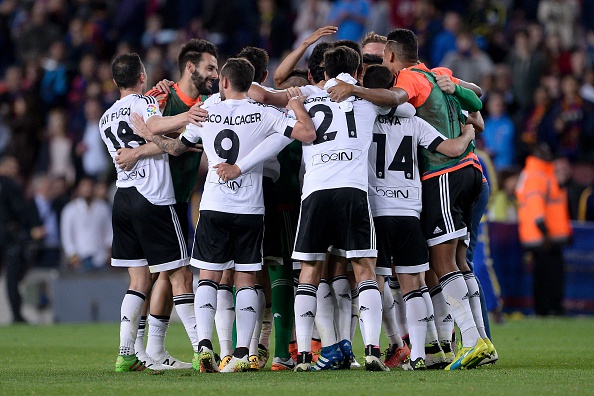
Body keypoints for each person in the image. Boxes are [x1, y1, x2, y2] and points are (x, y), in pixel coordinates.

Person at [132, 57, 316, 373]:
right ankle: (244, 352)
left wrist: (151, 137)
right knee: (247, 279)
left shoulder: (206, 111)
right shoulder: (265, 112)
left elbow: (177, 148)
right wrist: (298, 105)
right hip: (250, 208)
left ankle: (205, 346)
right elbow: (304, 133)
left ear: (224, 82)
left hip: (214, 205)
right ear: (252, 84)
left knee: (209, 277)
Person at [326, 28, 493, 370]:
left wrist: (353, 91)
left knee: (385, 277)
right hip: (420, 201)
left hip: (399, 198)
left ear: (390, 57)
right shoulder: (431, 86)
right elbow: (473, 103)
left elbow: (392, 101)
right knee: (431, 274)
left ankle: (400, 346)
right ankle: (435, 349)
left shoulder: (371, 112)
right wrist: (468, 128)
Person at [114, 38, 218, 370]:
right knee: (168, 274)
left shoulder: (209, 103)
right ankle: (157, 350)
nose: (214, 75)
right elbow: (141, 135)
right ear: (191, 67)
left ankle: (147, 353)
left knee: (160, 276)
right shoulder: (159, 96)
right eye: (210, 68)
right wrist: (145, 150)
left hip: (180, 194)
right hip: (156, 195)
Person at [364, 64, 477, 370]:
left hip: (375, 212)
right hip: (408, 214)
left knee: (374, 281)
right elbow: (453, 149)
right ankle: (417, 355)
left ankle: (372, 349)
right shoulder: (414, 123)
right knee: (414, 283)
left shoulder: (361, 119)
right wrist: (468, 132)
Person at [516, 144, 572, 316]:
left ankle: (552, 307)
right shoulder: (535, 175)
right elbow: (536, 208)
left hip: (548, 234)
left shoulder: (543, 174)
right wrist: (544, 232)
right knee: (545, 275)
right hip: (541, 236)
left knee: (553, 273)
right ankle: (544, 309)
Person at [60, 178, 112, 272]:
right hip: (80, 257)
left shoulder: (103, 208)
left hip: (100, 257)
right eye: (84, 186)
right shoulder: (70, 209)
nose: (87, 189)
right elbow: (66, 235)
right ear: (78, 189)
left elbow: (109, 231)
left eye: (89, 186)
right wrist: (72, 255)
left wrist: (109, 252)